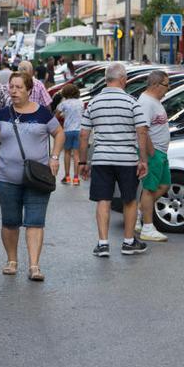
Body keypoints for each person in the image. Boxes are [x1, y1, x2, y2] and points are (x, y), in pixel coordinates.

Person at [0, 72, 64, 281]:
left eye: (19, 87)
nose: (14, 91)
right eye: (12, 87)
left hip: (37, 178)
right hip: (6, 178)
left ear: (30, 90)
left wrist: (54, 157)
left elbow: (60, 133)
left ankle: (34, 265)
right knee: (10, 221)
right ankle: (12, 260)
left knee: (35, 221)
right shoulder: (1, 115)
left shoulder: (44, 114)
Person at [78, 63, 150, 257]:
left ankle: (102, 244)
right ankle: (128, 242)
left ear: (106, 79)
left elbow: (84, 134)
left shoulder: (94, 103)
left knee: (103, 200)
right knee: (129, 200)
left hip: (102, 159)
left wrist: (83, 162)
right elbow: (142, 131)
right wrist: (143, 160)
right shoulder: (132, 102)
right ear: (123, 79)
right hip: (127, 160)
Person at [135, 71, 171, 242]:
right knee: (149, 189)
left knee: (164, 185)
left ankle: (138, 213)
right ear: (156, 85)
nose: (168, 88)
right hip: (154, 152)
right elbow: (142, 130)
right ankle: (147, 227)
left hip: (160, 152)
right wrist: (150, 153)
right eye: (166, 84)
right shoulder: (146, 103)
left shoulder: (154, 101)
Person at [55, 84, 83, 186]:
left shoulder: (63, 104)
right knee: (76, 155)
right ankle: (76, 178)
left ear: (65, 93)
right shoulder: (81, 103)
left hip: (67, 131)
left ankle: (67, 177)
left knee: (67, 153)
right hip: (79, 131)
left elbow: (56, 117)